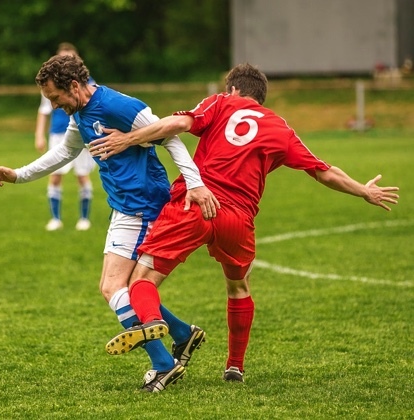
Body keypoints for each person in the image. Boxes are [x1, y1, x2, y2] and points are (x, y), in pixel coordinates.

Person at [90, 63, 400, 383]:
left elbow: (177, 123)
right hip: (238, 221)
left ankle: (152, 321)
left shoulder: (221, 102)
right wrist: (364, 191)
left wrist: (129, 138)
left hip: (195, 205)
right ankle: (235, 366)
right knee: (238, 288)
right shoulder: (281, 129)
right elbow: (324, 171)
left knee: (142, 280)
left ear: (233, 89)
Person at [0, 54, 220, 392]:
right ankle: (182, 334)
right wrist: (19, 175)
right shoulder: (80, 113)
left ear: (74, 85)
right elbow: (64, 153)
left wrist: (195, 183)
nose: (55, 106)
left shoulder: (119, 105)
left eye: (56, 98)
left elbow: (170, 137)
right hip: (124, 207)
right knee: (117, 288)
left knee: (113, 287)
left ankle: (163, 364)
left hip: (142, 205)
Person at [35, 42, 96, 231]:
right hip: (58, 134)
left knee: (82, 175)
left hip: (82, 134)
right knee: (55, 175)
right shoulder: (50, 84)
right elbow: (44, 111)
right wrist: (39, 135)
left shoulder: (89, 84)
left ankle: (84, 218)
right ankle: (55, 219)